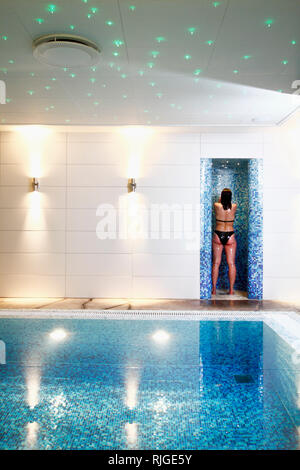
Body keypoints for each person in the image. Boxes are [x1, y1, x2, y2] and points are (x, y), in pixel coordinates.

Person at [212, 188, 237, 296]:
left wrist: (221, 199)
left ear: (221, 196)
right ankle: (231, 290)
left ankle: (213, 289)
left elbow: (219, 202)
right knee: (231, 263)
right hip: (230, 234)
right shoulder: (234, 206)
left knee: (216, 263)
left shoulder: (217, 206)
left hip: (218, 234)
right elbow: (228, 204)